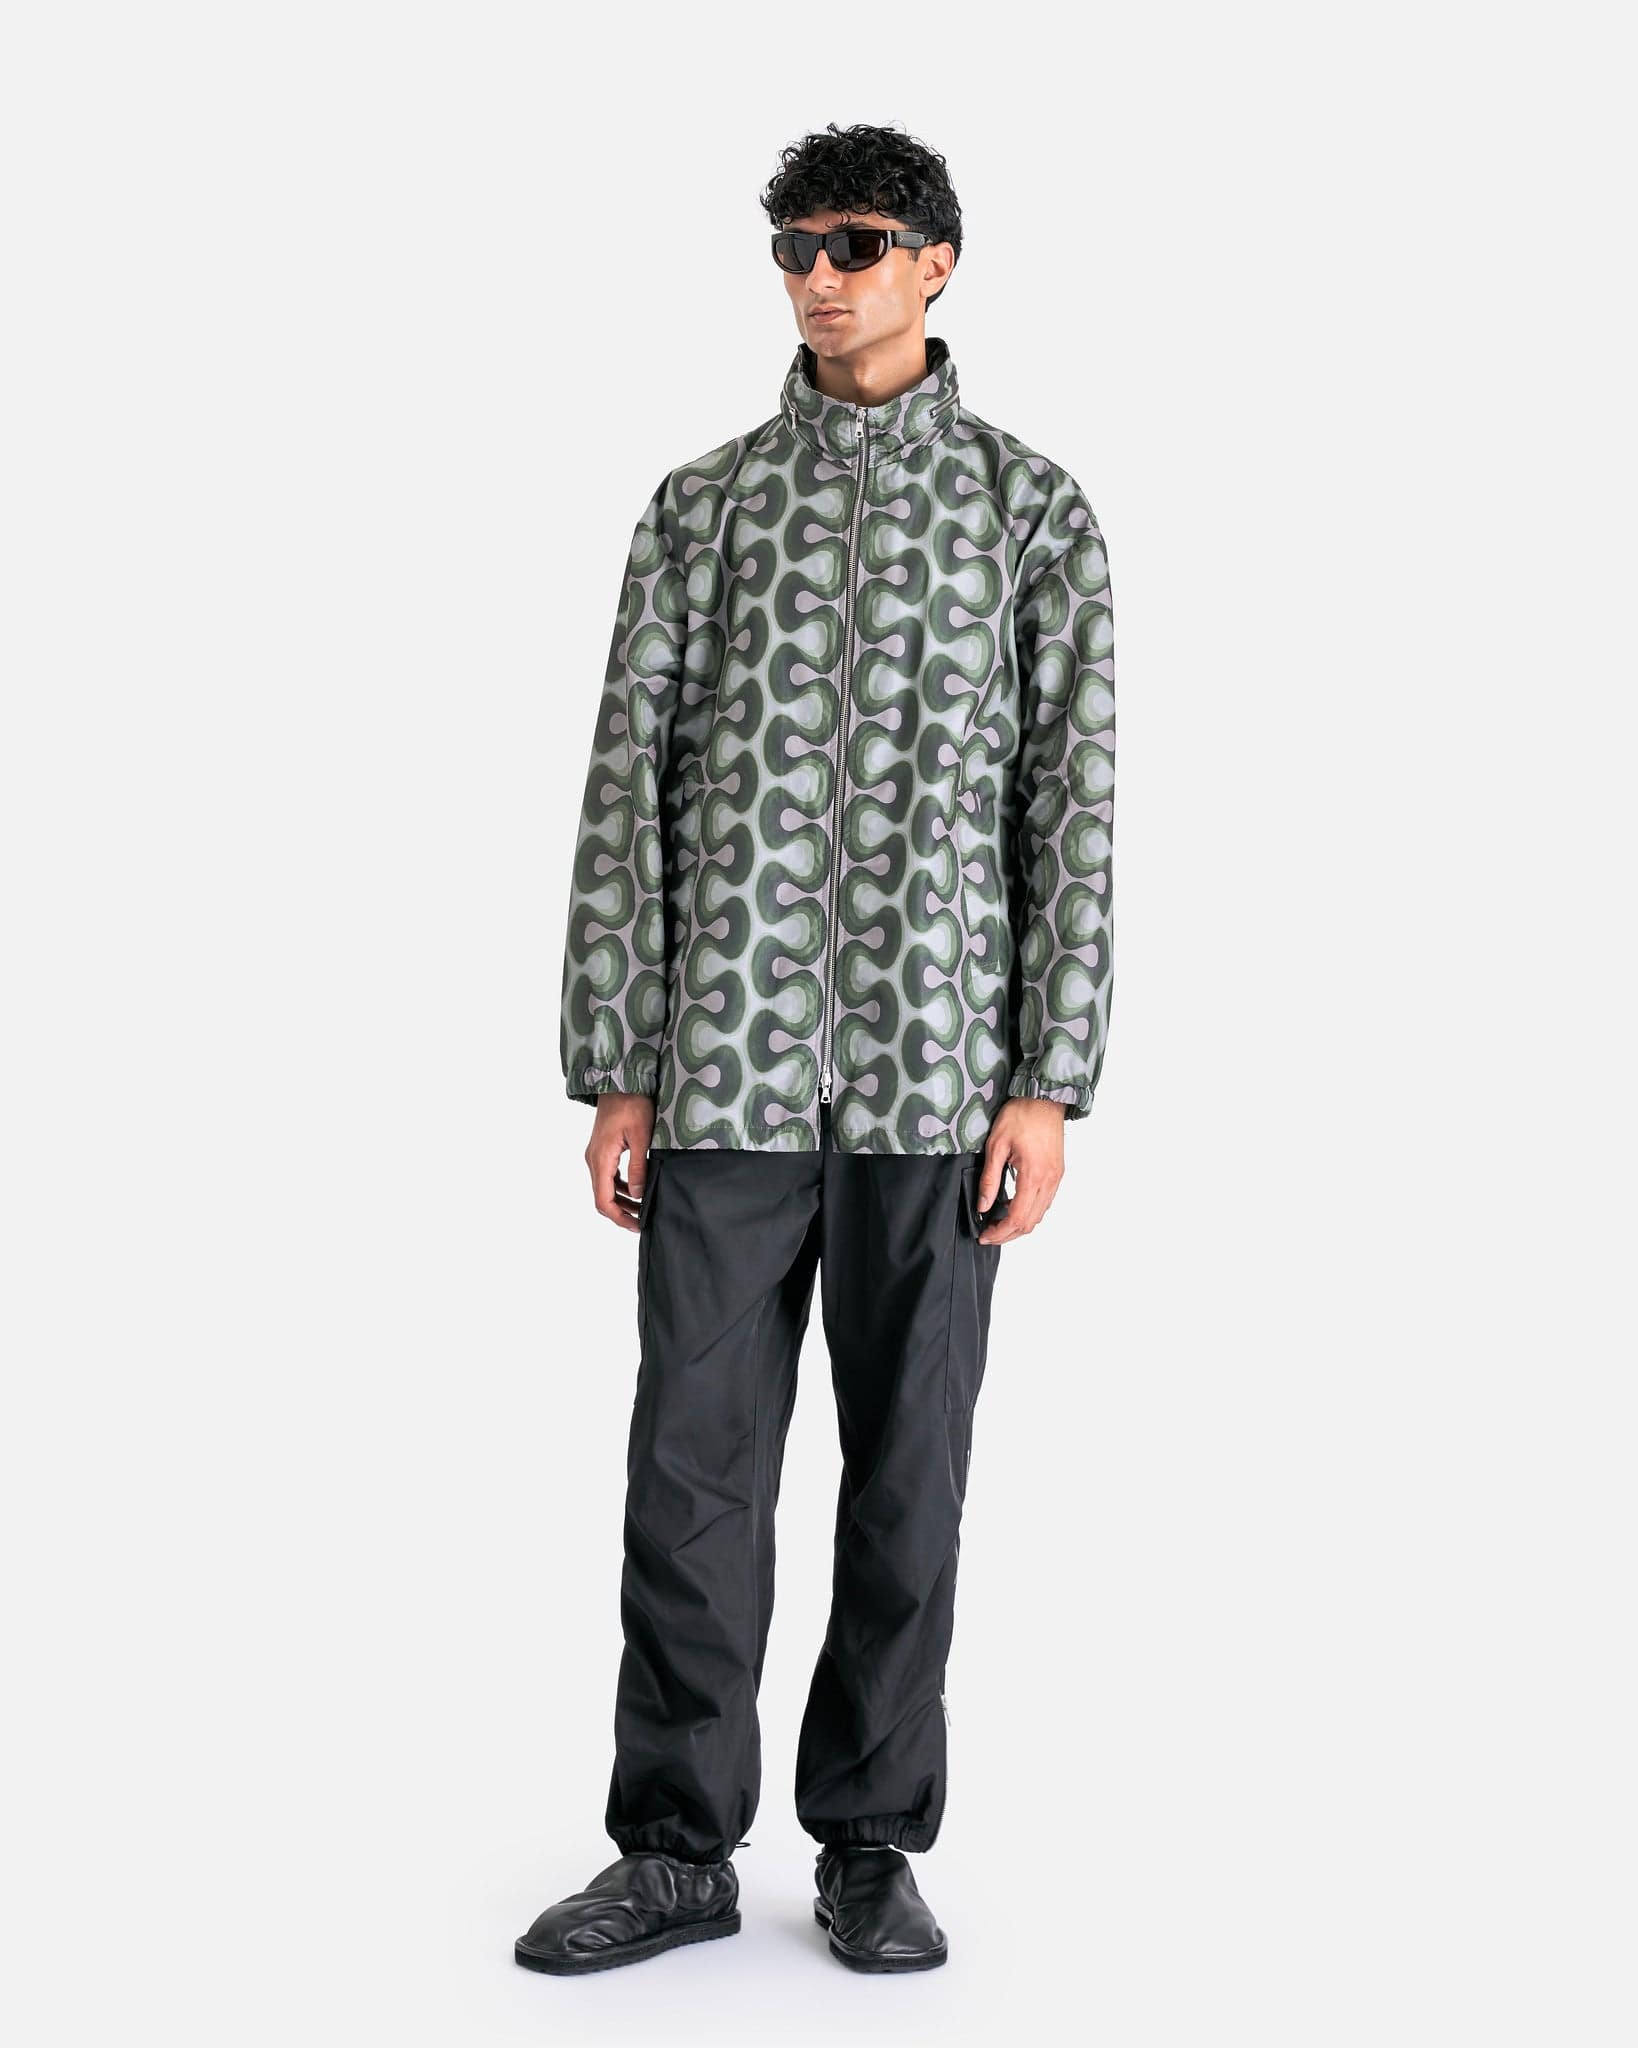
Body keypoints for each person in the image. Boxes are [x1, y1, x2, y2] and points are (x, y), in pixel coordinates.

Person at [516, 120, 1115, 1977]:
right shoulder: (700, 509)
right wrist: (617, 1058)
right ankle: (674, 1846)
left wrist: (1048, 1080)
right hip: (723, 1065)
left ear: (936, 261)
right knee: (690, 1471)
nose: (818, 276)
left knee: (908, 1471)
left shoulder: (1031, 513)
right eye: (792, 246)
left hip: (940, 1077)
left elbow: (1070, 807)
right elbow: (627, 787)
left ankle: (867, 1841)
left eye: (854, 242)